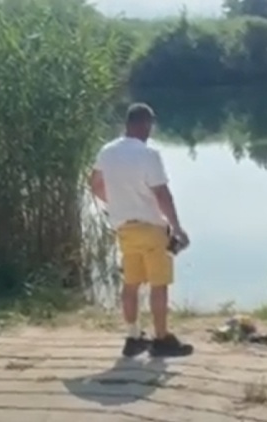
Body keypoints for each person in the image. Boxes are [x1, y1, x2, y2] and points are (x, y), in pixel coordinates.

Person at [90, 103, 193, 358]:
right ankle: (162, 338)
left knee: (131, 283)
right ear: (145, 124)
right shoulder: (149, 155)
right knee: (159, 285)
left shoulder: (107, 151)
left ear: (127, 124)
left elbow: (95, 185)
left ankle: (133, 337)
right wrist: (176, 228)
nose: (150, 130)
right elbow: (162, 194)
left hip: (125, 228)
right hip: (151, 227)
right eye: (150, 125)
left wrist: (116, 204)